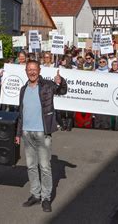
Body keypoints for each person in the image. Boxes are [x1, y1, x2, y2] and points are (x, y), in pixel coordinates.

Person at [15, 60, 68, 212]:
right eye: (29, 69)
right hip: (27, 133)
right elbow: (21, 114)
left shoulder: (47, 86)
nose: (32, 72)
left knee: (44, 167)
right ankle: (35, 195)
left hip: (42, 133)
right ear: (26, 71)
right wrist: (18, 133)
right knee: (31, 166)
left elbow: (62, 90)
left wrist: (61, 81)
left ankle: (46, 198)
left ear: (39, 70)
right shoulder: (23, 89)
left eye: (34, 69)